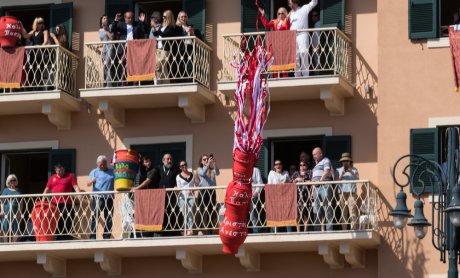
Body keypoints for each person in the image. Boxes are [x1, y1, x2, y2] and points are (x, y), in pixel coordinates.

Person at [43, 164, 82, 240]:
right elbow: (47, 189)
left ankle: (66, 236)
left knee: (66, 218)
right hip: (55, 203)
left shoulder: (70, 176)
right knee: (56, 219)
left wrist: (79, 196)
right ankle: (58, 236)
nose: (60, 172)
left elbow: (75, 187)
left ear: (64, 169)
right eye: (58, 170)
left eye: (62, 170)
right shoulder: (52, 178)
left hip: (67, 203)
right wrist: (43, 199)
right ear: (55, 170)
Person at [87, 155, 114, 240]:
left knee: (109, 217)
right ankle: (92, 237)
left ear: (106, 163)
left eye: (104, 164)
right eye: (100, 164)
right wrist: (92, 181)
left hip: (109, 198)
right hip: (98, 198)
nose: (102, 166)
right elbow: (88, 183)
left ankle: (106, 236)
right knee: (96, 217)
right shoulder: (94, 172)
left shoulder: (112, 171)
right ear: (97, 164)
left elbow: (119, 179)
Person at [288, 0, 318, 77]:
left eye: (290, 0)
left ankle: (305, 75)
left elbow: (314, 2)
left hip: (302, 34)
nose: (288, 2)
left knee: (303, 53)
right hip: (293, 36)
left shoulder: (304, 9)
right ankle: (297, 75)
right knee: (295, 57)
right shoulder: (290, 14)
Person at [152, 10, 181, 81]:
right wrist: (153, 27)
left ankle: (157, 83)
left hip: (166, 49)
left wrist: (156, 28)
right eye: (162, 16)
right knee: (163, 67)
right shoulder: (162, 25)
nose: (163, 18)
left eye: (164, 16)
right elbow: (156, 34)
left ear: (169, 17)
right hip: (159, 48)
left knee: (158, 66)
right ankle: (166, 83)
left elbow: (164, 35)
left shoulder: (171, 27)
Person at [311, 147, 333, 231]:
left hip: (324, 186)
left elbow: (326, 171)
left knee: (327, 208)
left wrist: (320, 181)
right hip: (316, 188)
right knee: (316, 210)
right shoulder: (316, 165)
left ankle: (329, 229)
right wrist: (312, 190)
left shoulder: (326, 160)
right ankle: (316, 230)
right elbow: (313, 179)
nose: (314, 156)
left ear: (321, 153)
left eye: (315, 154)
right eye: (313, 155)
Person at [196, 154, 220, 235]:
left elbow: (218, 173)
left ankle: (210, 231)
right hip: (203, 191)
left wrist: (214, 164)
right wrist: (207, 164)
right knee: (201, 211)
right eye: (204, 159)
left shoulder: (212, 169)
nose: (206, 160)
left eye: (207, 159)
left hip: (211, 192)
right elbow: (203, 173)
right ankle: (200, 229)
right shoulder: (199, 169)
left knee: (211, 211)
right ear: (201, 162)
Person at [267, 160, 293, 232]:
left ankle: (289, 234)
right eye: (276, 164)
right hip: (275, 199)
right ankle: (274, 233)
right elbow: (269, 186)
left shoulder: (286, 173)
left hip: (285, 198)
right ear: (274, 166)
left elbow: (290, 184)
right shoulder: (271, 173)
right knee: (275, 216)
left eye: (280, 164)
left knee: (287, 215)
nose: (278, 165)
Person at [337, 153, 359, 230]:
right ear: (342, 162)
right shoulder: (338, 170)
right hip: (342, 192)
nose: (345, 162)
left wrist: (351, 172)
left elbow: (358, 180)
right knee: (343, 211)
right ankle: (344, 229)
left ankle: (353, 229)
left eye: (347, 161)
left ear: (349, 161)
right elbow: (336, 182)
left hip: (351, 192)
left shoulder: (354, 170)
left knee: (352, 210)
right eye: (344, 161)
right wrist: (341, 175)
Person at [176, 11, 199, 82]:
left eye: (185, 16)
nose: (183, 18)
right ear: (179, 18)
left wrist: (192, 33)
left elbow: (195, 38)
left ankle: (190, 78)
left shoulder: (190, 26)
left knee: (190, 63)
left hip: (190, 46)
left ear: (187, 18)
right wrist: (185, 32)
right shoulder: (177, 27)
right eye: (182, 17)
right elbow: (177, 36)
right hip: (181, 47)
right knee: (182, 63)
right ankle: (183, 79)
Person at [176, 160, 195, 236]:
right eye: (182, 165)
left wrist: (193, 189)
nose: (184, 166)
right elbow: (179, 188)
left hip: (190, 196)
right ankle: (185, 229)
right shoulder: (178, 176)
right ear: (180, 167)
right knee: (184, 214)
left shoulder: (192, 174)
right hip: (182, 197)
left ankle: (190, 230)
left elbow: (195, 185)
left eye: (185, 164)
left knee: (190, 213)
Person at [292, 161, 312, 232]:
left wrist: (302, 180)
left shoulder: (309, 172)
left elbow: (312, 182)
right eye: (300, 165)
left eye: (304, 165)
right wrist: (295, 180)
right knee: (297, 214)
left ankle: (305, 230)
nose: (302, 166)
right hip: (297, 196)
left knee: (306, 214)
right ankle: (298, 230)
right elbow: (291, 183)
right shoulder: (296, 173)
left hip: (307, 195)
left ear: (307, 166)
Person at [0, 174, 21, 242]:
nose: (13, 182)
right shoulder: (5, 190)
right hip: (6, 212)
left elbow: (21, 203)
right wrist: (2, 210)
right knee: (5, 228)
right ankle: (6, 243)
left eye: (14, 180)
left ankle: (13, 243)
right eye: (11, 180)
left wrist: (19, 212)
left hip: (15, 212)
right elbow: (2, 202)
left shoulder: (19, 191)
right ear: (8, 182)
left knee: (15, 228)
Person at [99, 14, 114, 87]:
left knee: (107, 64)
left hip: (109, 48)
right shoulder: (99, 30)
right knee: (105, 66)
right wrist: (99, 46)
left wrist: (106, 30)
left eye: (106, 18)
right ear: (101, 20)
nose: (105, 19)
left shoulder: (110, 27)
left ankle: (109, 84)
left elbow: (111, 37)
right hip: (104, 49)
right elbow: (102, 41)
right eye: (104, 18)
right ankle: (106, 83)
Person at [250, 167, 264, 233]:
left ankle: (255, 231)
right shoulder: (242, 169)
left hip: (253, 195)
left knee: (253, 214)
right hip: (243, 195)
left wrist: (256, 192)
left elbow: (260, 182)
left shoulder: (255, 170)